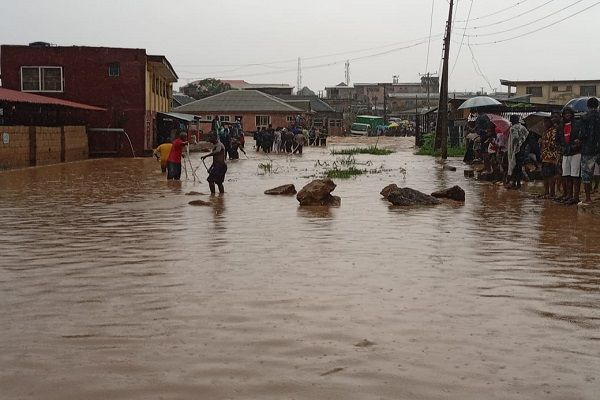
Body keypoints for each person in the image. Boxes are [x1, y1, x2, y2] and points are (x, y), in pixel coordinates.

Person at [555, 107, 581, 205]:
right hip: (565, 153)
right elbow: (557, 140)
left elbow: (581, 136)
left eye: (569, 113)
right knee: (566, 176)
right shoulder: (560, 126)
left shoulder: (577, 124)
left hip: (576, 153)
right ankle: (569, 196)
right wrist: (561, 148)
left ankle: (576, 197)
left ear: (572, 114)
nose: (567, 115)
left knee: (575, 176)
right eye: (565, 113)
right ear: (563, 115)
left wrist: (577, 143)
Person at [577, 97, 600, 206]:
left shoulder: (584, 117)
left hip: (588, 149)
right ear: (598, 105)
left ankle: (588, 198)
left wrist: (579, 140)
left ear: (588, 106)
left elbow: (583, 134)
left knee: (587, 174)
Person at [507, 115, 529, 189]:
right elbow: (527, 134)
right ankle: (518, 183)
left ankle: (514, 183)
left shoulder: (513, 128)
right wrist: (522, 142)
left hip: (515, 150)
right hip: (522, 150)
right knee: (518, 167)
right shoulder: (522, 127)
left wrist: (518, 143)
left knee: (514, 166)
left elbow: (515, 138)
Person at [540, 117, 559, 198]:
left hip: (551, 157)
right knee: (545, 175)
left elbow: (554, 144)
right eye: (544, 122)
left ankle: (552, 193)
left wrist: (544, 141)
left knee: (550, 175)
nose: (544, 124)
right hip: (544, 156)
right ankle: (546, 192)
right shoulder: (545, 132)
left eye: (546, 122)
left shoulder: (553, 131)